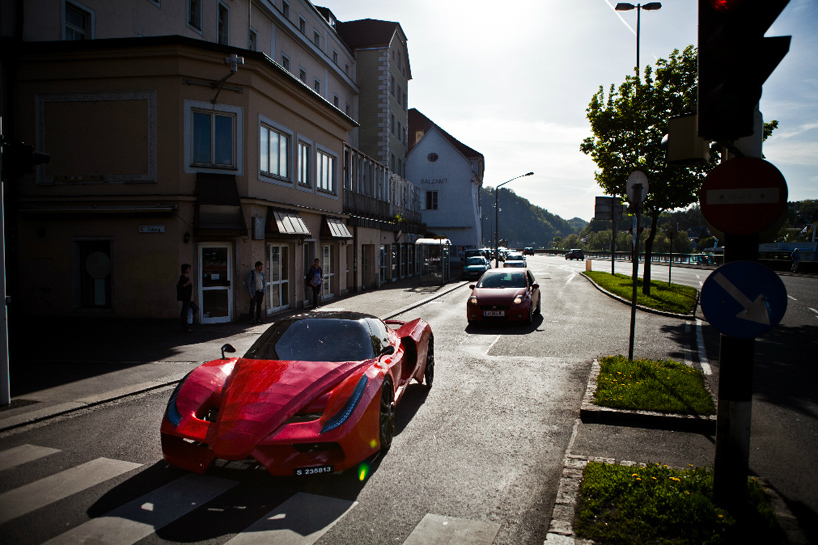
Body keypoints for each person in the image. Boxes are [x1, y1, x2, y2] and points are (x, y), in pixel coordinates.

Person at [176, 264, 198, 332]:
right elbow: (180, 286)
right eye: (188, 268)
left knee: (186, 310)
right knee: (184, 311)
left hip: (187, 296)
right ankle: (185, 326)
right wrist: (187, 284)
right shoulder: (182, 277)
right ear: (185, 269)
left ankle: (186, 325)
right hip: (185, 297)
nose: (189, 270)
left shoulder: (186, 277)